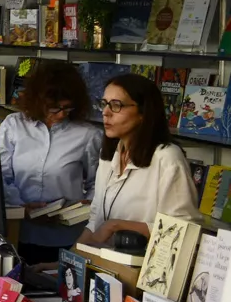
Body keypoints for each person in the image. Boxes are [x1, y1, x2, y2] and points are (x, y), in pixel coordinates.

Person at [0, 60, 103, 263]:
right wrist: (21, 208)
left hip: (66, 235)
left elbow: (97, 184)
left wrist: (83, 207)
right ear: (38, 100)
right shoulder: (14, 126)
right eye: (54, 108)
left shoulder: (89, 135)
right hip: (18, 230)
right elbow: (1, 175)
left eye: (67, 108)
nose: (61, 115)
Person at [78, 73, 199, 247]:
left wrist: (117, 225)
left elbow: (184, 228)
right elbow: (95, 220)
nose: (105, 113)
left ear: (143, 113)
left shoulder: (167, 157)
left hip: (140, 268)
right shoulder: (110, 153)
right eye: (103, 104)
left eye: (116, 105)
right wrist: (67, 260)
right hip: (101, 265)